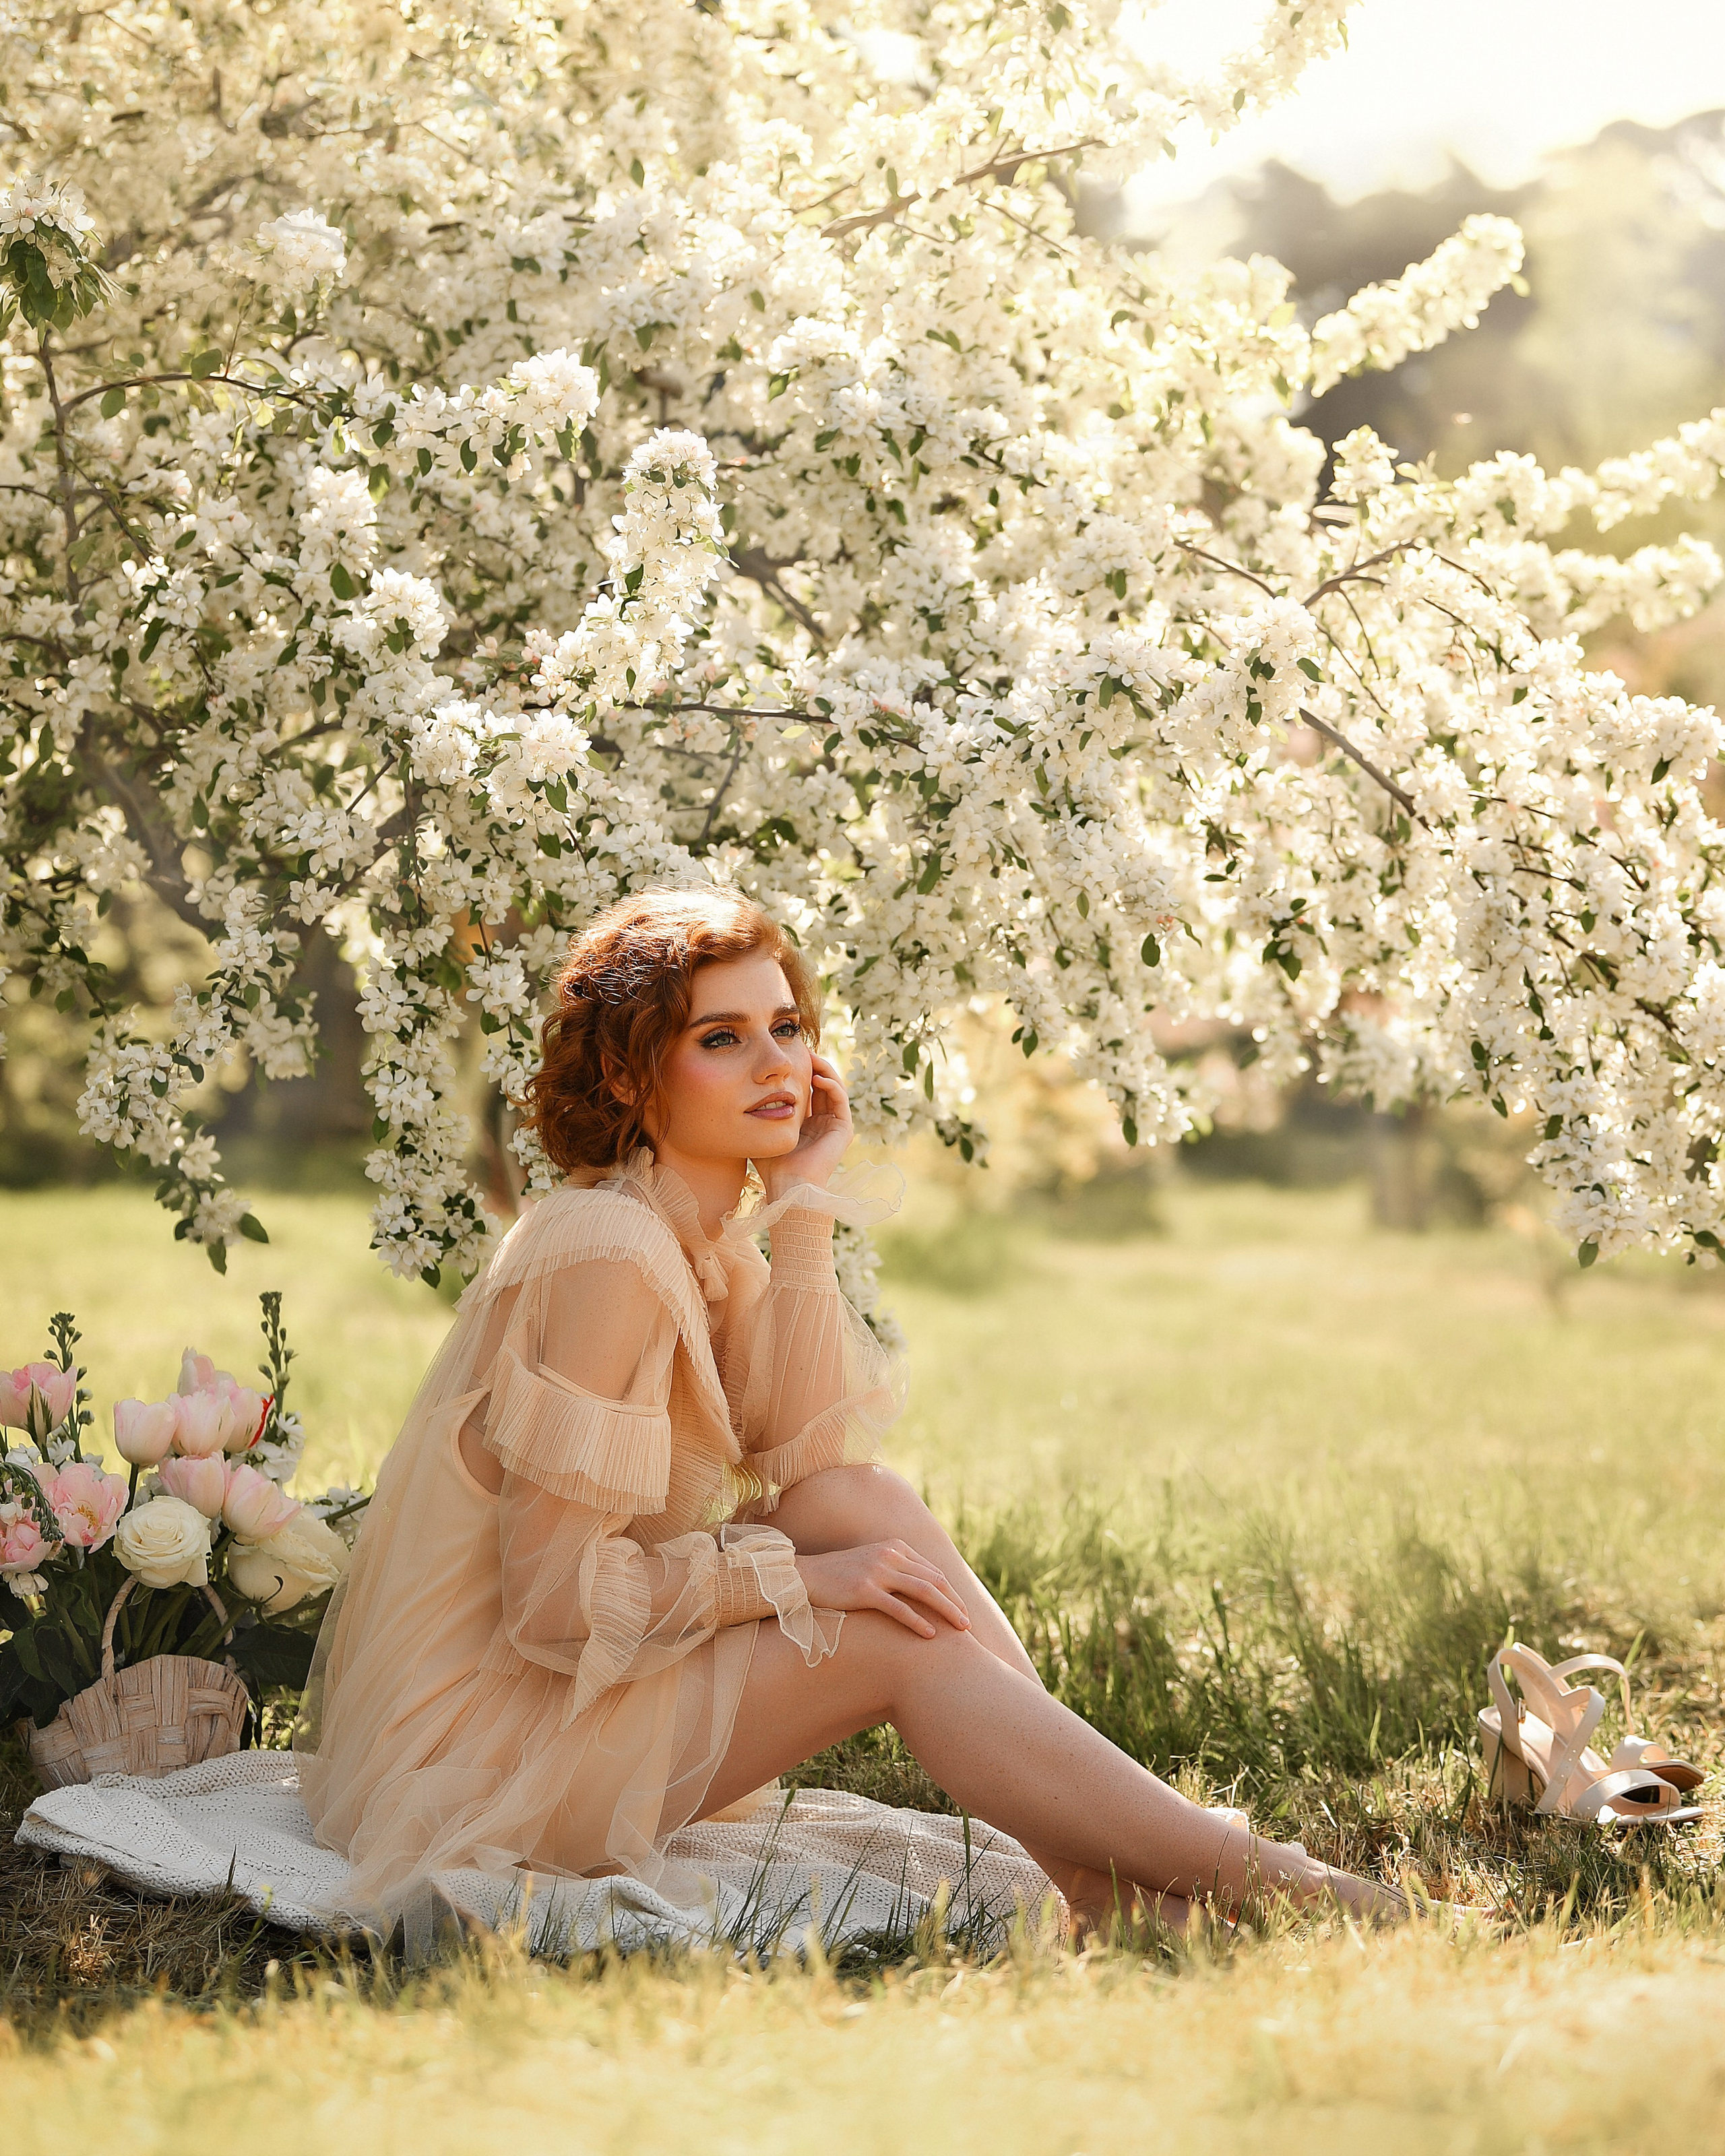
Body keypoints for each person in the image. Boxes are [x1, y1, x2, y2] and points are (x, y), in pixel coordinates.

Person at [296, 887, 1408, 1940]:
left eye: (787, 1026)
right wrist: (800, 1583)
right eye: (721, 1038)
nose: (778, 1062)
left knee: (860, 1500)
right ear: (632, 1078)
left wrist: (801, 1212)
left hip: (565, 1702)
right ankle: (1292, 1893)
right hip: (483, 1757)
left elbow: (816, 1461)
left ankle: (1106, 1870)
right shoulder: (610, 1250)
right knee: (891, 1640)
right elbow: (550, 1608)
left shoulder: (690, 1239)